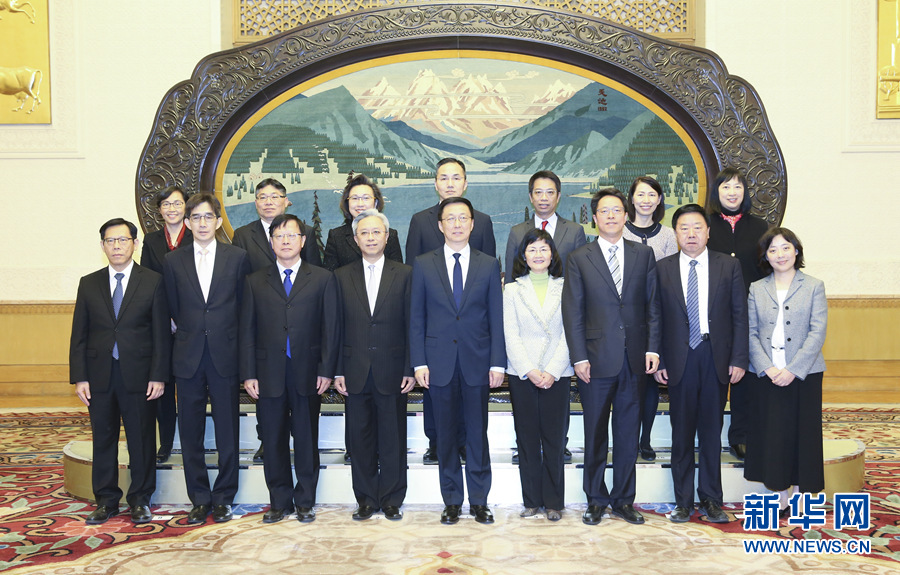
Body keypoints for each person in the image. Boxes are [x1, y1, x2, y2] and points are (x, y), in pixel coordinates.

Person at [561, 188, 660, 526]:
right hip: (595, 360)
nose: (611, 216)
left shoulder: (643, 254)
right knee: (596, 433)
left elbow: (653, 306)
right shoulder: (579, 257)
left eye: (617, 210)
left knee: (628, 433)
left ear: (626, 215)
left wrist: (652, 348)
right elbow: (573, 311)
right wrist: (578, 357)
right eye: (604, 211)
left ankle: (623, 500)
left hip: (635, 358)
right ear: (595, 218)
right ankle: (595, 498)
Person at [410, 196, 506, 525]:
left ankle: (479, 501)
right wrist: (419, 362)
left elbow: (496, 317)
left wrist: (497, 363)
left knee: (477, 434)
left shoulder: (488, 264)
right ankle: (451, 500)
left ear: (472, 224)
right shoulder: (424, 264)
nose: (457, 224)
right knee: (446, 436)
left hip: (477, 362)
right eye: (450, 219)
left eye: (463, 218)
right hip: (438, 364)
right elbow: (416, 318)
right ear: (440, 225)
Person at [239, 214, 339, 524]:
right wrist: (249, 373)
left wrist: (326, 370)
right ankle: (279, 502)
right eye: (279, 236)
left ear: (303, 240)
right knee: (273, 439)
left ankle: (305, 501)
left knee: (306, 439)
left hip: (308, 372)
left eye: (291, 235)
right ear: (271, 242)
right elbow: (247, 331)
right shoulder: (255, 281)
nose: (285, 241)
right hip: (268, 373)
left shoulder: (322, 278)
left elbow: (330, 329)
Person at [71, 218, 170, 525]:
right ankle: (106, 500)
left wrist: (158, 375)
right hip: (99, 375)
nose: (116, 246)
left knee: (141, 439)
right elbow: (79, 333)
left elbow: (161, 334)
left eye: (123, 240)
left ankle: (140, 499)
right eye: (110, 241)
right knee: (103, 439)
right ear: (102, 246)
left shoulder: (152, 281)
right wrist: (80, 377)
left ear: (134, 244)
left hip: (140, 376)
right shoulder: (89, 283)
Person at [653, 204, 748, 523]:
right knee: (681, 433)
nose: (691, 234)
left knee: (711, 432)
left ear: (708, 232)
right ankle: (682, 501)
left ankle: (711, 499)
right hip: (678, 359)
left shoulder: (728, 266)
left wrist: (738, 358)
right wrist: (660, 358)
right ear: (675, 233)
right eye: (684, 228)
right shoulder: (662, 268)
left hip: (714, 356)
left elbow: (739, 315)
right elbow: (656, 317)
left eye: (697, 227)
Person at [163, 193, 251, 525]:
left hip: (225, 355)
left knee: (228, 429)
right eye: (196, 218)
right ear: (187, 223)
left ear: (218, 221)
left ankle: (224, 497)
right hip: (187, 356)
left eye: (208, 217)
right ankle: (199, 498)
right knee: (190, 431)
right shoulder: (173, 262)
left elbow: (243, 309)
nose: (202, 223)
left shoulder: (237, 257)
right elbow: (173, 308)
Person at [406, 158, 496, 465]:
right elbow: (413, 276)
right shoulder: (421, 220)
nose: (449, 183)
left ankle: (465, 443)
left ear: (465, 183)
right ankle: (437, 442)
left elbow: (487, 275)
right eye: (443, 178)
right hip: (437, 330)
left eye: (456, 177)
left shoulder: (481, 221)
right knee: (436, 393)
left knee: (470, 399)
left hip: (471, 333)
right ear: (436, 183)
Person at [334, 209, 414, 521]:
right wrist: (337, 369)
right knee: (361, 438)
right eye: (364, 233)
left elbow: (412, 324)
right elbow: (335, 327)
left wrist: (409, 368)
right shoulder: (341, 276)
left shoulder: (404, 274)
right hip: (354, 370)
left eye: (376, 232)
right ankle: (366, 499)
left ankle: (392, 498)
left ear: (387, 237)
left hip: (393, 370)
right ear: (355, 239)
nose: (370, 238)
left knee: (393, 437)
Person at [232, 177, 320, 463]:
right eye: (262, 196)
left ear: (286, 200)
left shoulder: (304, 232)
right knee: (272, 427)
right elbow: (240, 286)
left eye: (274, 196)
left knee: (305, 430)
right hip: (267, 339)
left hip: (302, 344)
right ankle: (267, 446)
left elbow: (314, 279)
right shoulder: (243, 235)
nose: (268, 201)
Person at [744, 228, 827, 513]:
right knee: (774, 433)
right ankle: (779, 492)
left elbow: (817, 332)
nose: (780, 254)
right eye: (773, 250)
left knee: (805, 433)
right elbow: (750, 332)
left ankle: (803, 493)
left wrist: (793, 369)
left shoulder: (814, 286)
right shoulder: (757, 288)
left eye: (785, 248)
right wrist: (767, 367)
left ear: (796, 251)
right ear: (765, 256)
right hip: (767, 373)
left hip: (805, 373)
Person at [504, 228, 572, 522]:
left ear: (552, 254)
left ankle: (554, 502)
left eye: (544, 249)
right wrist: (530, 370)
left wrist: (552, 370)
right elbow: (510, 333)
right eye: (532, 249)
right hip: (523, 374)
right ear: (523, 255)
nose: (538, 254)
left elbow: (570, 331)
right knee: (527, 439)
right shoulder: (512, 290)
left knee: (555, 440)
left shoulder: (566, 287)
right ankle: (531, 500)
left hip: (558, 373)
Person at [705, 168, 768, 460]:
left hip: (750, 314)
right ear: (716, 191)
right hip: (713, 314)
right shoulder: (705, 224)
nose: (732, 192)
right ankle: (709, 436)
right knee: (715, 378)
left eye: (738, 187)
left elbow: (767, 268)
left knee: (745, 377)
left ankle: (740, 436)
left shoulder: (760, 226)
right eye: (726, 187)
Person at [623, 176, 679, 462]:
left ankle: (645, 439)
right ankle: (628, 439)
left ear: (659, 200)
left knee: (650, 384)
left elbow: (672, 277)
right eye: (640, 194)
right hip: (628, 319)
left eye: (652, 195)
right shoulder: (619, 231)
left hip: (659, 317)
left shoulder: (668, 235)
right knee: (628, 384)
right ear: (631, 199)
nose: (645, 200)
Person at [140, 186, 193, 464]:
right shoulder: (152, 240)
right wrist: (166, 317)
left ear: (186, 206)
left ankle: (189, 441)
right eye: (166, 204)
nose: (172, 209)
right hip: (161, 322)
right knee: (162, 384)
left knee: (188, 386)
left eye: (177, 203)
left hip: (191, 323)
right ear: (159, 210)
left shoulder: (197, 235)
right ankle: (166, 442)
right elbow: (148, 282)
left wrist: (181, 317)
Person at [504, 170, 587, 282]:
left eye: (550, 192)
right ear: (531, 197)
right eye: (538, 192)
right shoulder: (517, 233)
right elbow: (510, 277)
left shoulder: (575, 232)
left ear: (558, 196)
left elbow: (582, 275)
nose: (544, 198)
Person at [323, 173, 403, 271]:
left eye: (366, 198)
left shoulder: (390, 235)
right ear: (347, 203)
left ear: (375, 203)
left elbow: (398, 273)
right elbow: (329, 275)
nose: (360, 204)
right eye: (355, 198)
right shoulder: (336, 236)